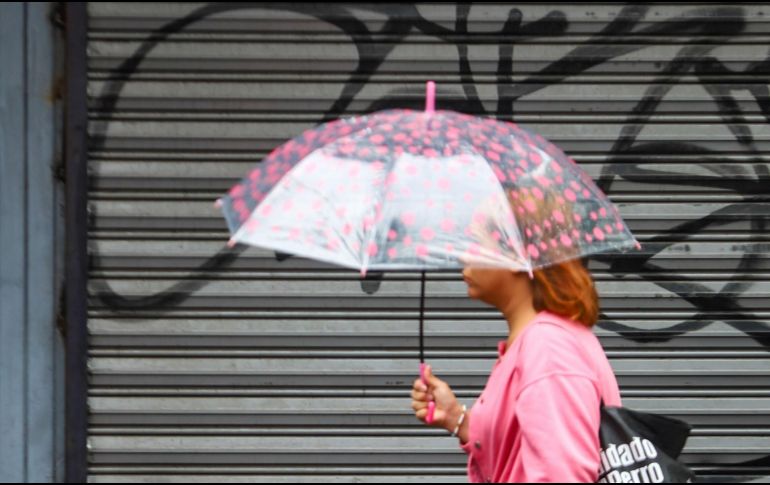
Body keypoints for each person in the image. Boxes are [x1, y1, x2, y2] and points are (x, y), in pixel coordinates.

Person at [411, 259, 622, 482]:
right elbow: (521, 448)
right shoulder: (538, 339)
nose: (464, 258)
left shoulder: (548, 348)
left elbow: (563, 476)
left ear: (513, 257)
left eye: (477, 244)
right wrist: (457, 418)